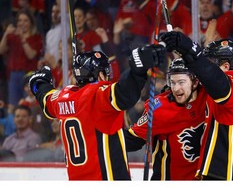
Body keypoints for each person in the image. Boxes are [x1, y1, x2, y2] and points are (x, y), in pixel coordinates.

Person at [28, 44, 166, 180]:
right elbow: (124, 94)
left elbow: (44, 97)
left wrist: (40, 82)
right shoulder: (95, 95)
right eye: (106, 73)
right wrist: (138, 68)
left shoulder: (61, 98)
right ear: (100, 75)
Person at [160, 31, 233, 180]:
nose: (206, 67)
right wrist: (186, 53)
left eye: (211, 62)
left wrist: (192, 48)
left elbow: (213, 77)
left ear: (226, 66)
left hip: (230, 173)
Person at [124, 58, 206, 180]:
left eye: (181, 82)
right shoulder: (159, 108)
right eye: (172, 82)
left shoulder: (208, 99)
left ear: (195, 82)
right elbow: (132, 140)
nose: (176, 88)